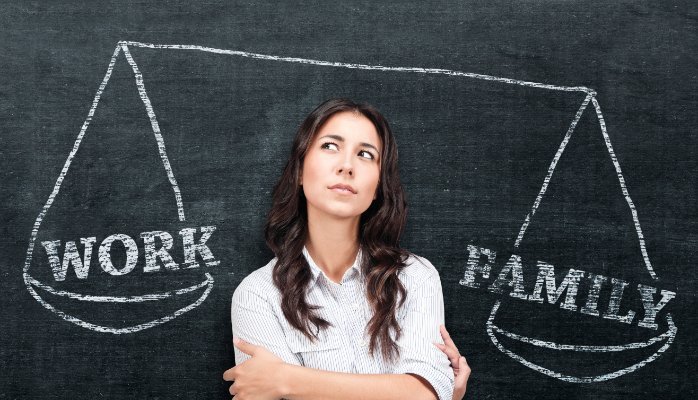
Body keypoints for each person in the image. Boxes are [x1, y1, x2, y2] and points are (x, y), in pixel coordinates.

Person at [223, 98, 470, 400]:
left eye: (365, 154)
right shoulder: (258, 295)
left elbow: (425, 394)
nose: (347, 166)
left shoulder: (414, 277)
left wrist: (286, 380)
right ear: (300, 170)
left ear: (378, 186)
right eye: (330, 146)